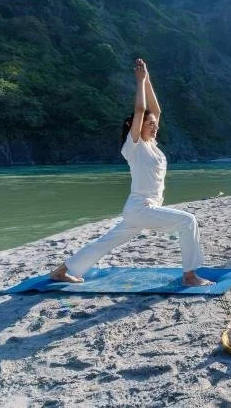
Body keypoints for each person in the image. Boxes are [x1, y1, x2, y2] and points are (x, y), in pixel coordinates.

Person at [49, 59, 211, 286]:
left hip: (142, 209)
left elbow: (155, 110)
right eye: (150, 124)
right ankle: (190, 276)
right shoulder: (133, 146)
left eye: (155, 124)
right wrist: (139, 82)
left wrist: (148, 79)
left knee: (106, 242)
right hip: (141, 208)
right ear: (137, 127)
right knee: (188, 221)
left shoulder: (152, 145)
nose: (155, 126)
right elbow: (141, 109)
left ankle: (61, 271)